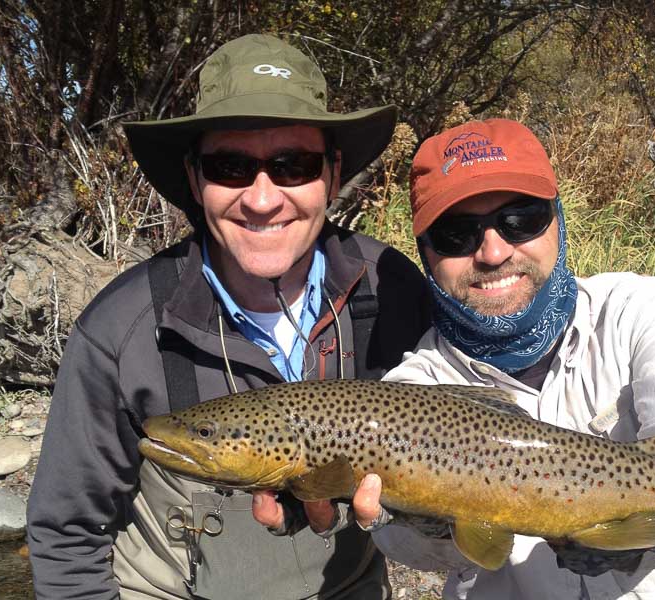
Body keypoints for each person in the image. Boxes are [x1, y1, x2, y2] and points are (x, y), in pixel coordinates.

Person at [26, 34, 430, 600]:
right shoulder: (121, 330)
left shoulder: (392, 288)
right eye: (231, 166)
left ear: (333, 176)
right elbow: (67, 537)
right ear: (195, 179)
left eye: (294, 164)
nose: (262, 199)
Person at [350, 118, 655, 599]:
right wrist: (432, 526)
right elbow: (398, 542)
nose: (494, 251)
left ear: (557, 221)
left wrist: (650, 529)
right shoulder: (407, 394)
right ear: (426, 254)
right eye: (457, 234)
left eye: (520, 219)